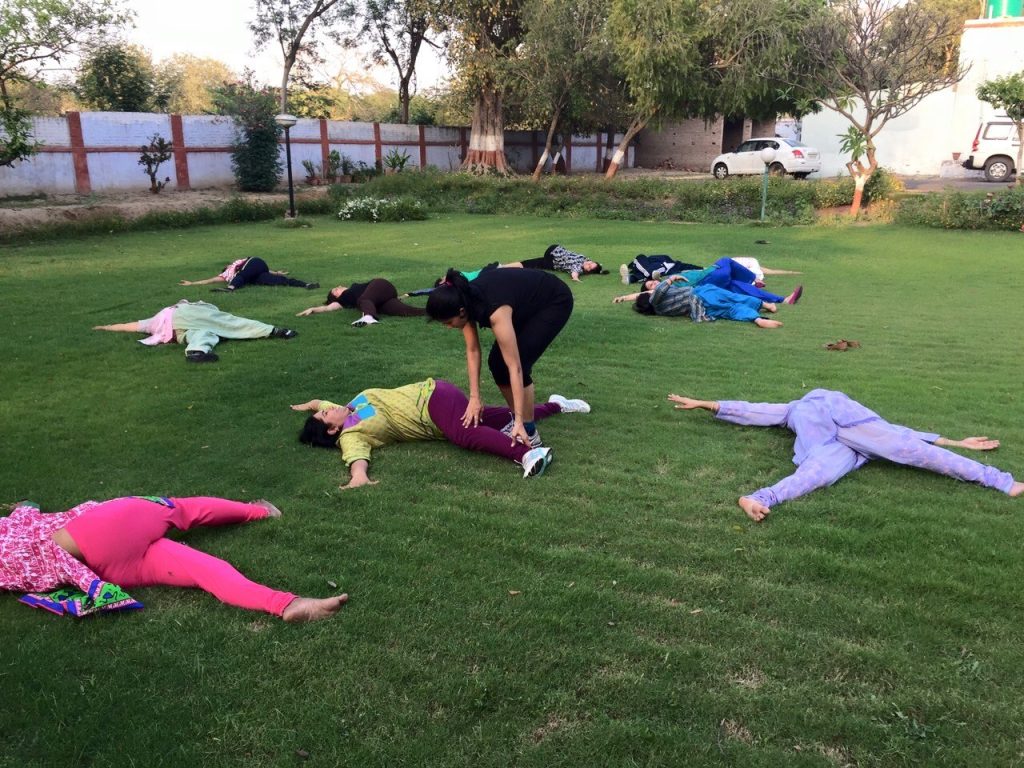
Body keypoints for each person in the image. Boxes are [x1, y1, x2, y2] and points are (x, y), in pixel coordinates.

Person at [668, 390, 1024, 522]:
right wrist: (708, 404)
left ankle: (1000, 481)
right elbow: (755, 410)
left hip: (856, 427)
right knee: (818, 473)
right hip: (835, 447)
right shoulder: (793, 409)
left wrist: (957, 442)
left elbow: (895, 431)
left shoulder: (823, 402)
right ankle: (758, 498)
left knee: (911, 449)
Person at [0, 496, 347, 622]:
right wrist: (23, 508)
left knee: (201, 570)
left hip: (105, 566)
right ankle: (260, 511)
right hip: (97, 530)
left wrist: (23, 509)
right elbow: (25, 513)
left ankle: (288, 604)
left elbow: (25, 513)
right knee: (183, 509)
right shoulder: (14, 528)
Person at [293, 380, 591, 485]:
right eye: (325, 414)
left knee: (464, 434)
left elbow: (320, 401)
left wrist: (307, 405)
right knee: (498, 417)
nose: (327, 407)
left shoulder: (348, 406)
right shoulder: (350, 433)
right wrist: (359, 477)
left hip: (434, 396)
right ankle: (556, 405)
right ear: (332, 429)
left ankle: (528, 454)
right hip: (438, 410)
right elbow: (356, 457)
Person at [425, 268, 574, 448]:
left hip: (552, 300)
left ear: (462, 311)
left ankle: (528, 430)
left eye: (448, 322)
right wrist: (474, 397)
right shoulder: (462, 299)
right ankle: (523, 424)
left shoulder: (494, 311)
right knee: (497, 363)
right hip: (521, 303)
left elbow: (515, 367)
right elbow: (472, 350)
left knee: (519, 360)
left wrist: (519, 419)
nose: (448, 327)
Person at [94, 300, 298, 363]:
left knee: (205, 334)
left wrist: (106, 327)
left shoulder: (157, 319)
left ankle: (197, 352)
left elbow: (134, 325)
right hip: (183, 320)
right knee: (229, 322)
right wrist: (106, 327)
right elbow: (134, 325)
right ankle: (274, 330)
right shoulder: (190, 308)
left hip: (180, 332)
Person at [613, 277, 784, 329]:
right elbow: (656, 291)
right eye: (650, 286)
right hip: (702, 294)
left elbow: (649, 294)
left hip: (702, 308)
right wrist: (672, 279)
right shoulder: (656, 298)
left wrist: (624, 297)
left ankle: (757, 319)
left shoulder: (661, 310)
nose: (654, 285)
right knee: (733, 298)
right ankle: (765, 305)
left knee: (729, 310)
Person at [297, 279, 425, 327]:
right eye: (336, 288)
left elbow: (365, 298)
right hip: (381, 302)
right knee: (407, 311)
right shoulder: (342, 302)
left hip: (381, 286)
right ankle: (437, 310)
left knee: (363, 300)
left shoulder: (355, 288)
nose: (340, 286)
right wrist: (313, 309)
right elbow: (328, 308)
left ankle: (368, 317)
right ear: (335, 295)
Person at [179, 257, 319, 291]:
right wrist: (192, 283)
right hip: (256, 274)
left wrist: (275, 271)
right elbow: (210, 280)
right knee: (279, 281)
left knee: (243, 275)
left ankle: (230, 289)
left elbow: (253, 267)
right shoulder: (226, 276)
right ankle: (306, 284)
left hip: (255, 262)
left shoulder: (237, 265)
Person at [503, 244, 607, 282]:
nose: (587, 264)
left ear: (587, 271)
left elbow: (575, 272)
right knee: (532, 264)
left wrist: (575, 278)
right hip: (552, 255)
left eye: (589, 266)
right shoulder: (584, 259)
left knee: (528, 263)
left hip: (553, 254)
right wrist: (600, 270)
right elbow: (597, 266)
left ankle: (502, 267)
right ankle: (502, 267)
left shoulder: (578, 267)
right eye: (590, 263)